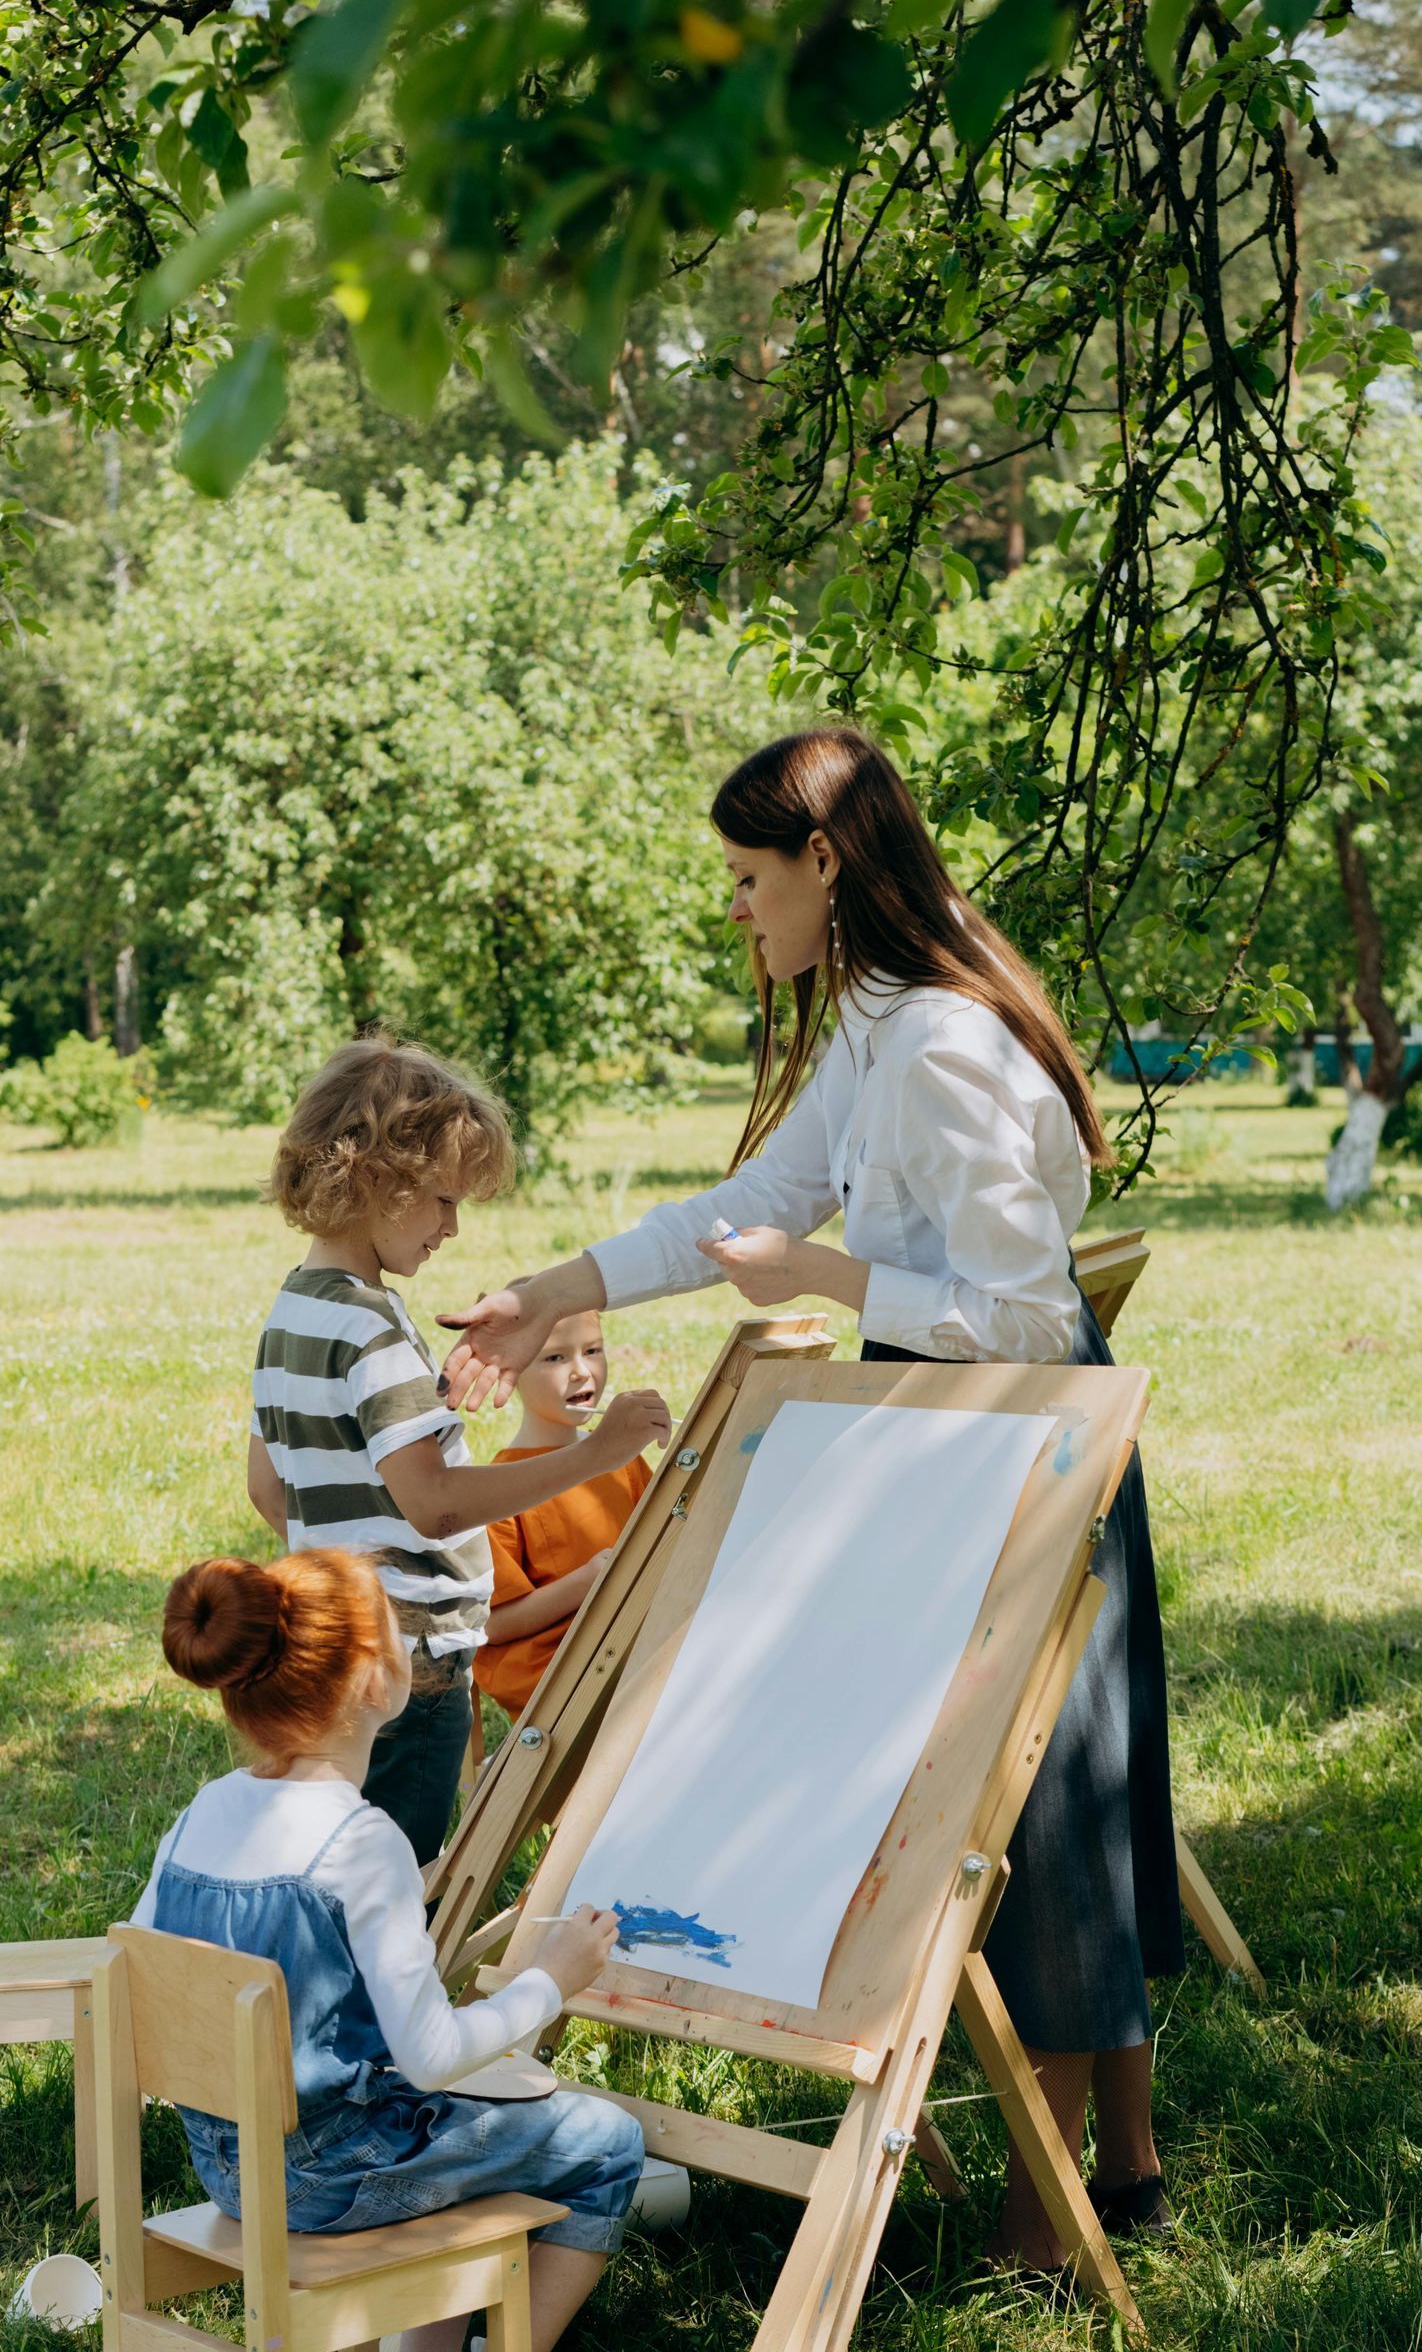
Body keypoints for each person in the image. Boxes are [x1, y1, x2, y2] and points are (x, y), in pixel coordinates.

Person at [439, 729, 1183, 2273]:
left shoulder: (943, 1048)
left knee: (1040, 1817)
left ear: (826, 864)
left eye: (747, 878)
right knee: (1057, 1806)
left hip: (1025, 1435)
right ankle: (1121, 2169)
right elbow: (747, 1208)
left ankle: (1062, 2228)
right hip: (961, 1426)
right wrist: (548, 1290)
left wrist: (834, 1279)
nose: (737, 912)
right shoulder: (877, 1024)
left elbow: (1030, 1315)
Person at [139, 1543, 649, 2352]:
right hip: (335, 2179)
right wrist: (549, 1979)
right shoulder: (359, 1840)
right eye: (405, 1631)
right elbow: (430, 2057)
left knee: (481, 2131)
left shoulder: (198, 1816)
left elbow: (153, 1974)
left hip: (225, 2166)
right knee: (604, 2145)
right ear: (376, 1682)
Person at [245, 1034, 671, 1866]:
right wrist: (598, 1452)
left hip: (338, 1643)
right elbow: (433, 1502)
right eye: (441, 1199)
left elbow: (271, 1490)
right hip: (415, 1662)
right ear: (375, 1177)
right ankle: (386, 2000)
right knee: (394, 1873)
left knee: (336, 1857)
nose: (450, 1226)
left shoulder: (291, 1315)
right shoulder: (371, 1325)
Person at [473, 1310, 653, 1723]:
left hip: (631, 1637)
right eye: (554, 1358)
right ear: (509, 1370)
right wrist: (588, 1581)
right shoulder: (499, 1488)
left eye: (592, 1351)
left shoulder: (623, 1459)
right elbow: (494, 1625)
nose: (580, 1371)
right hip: (556, 1670)